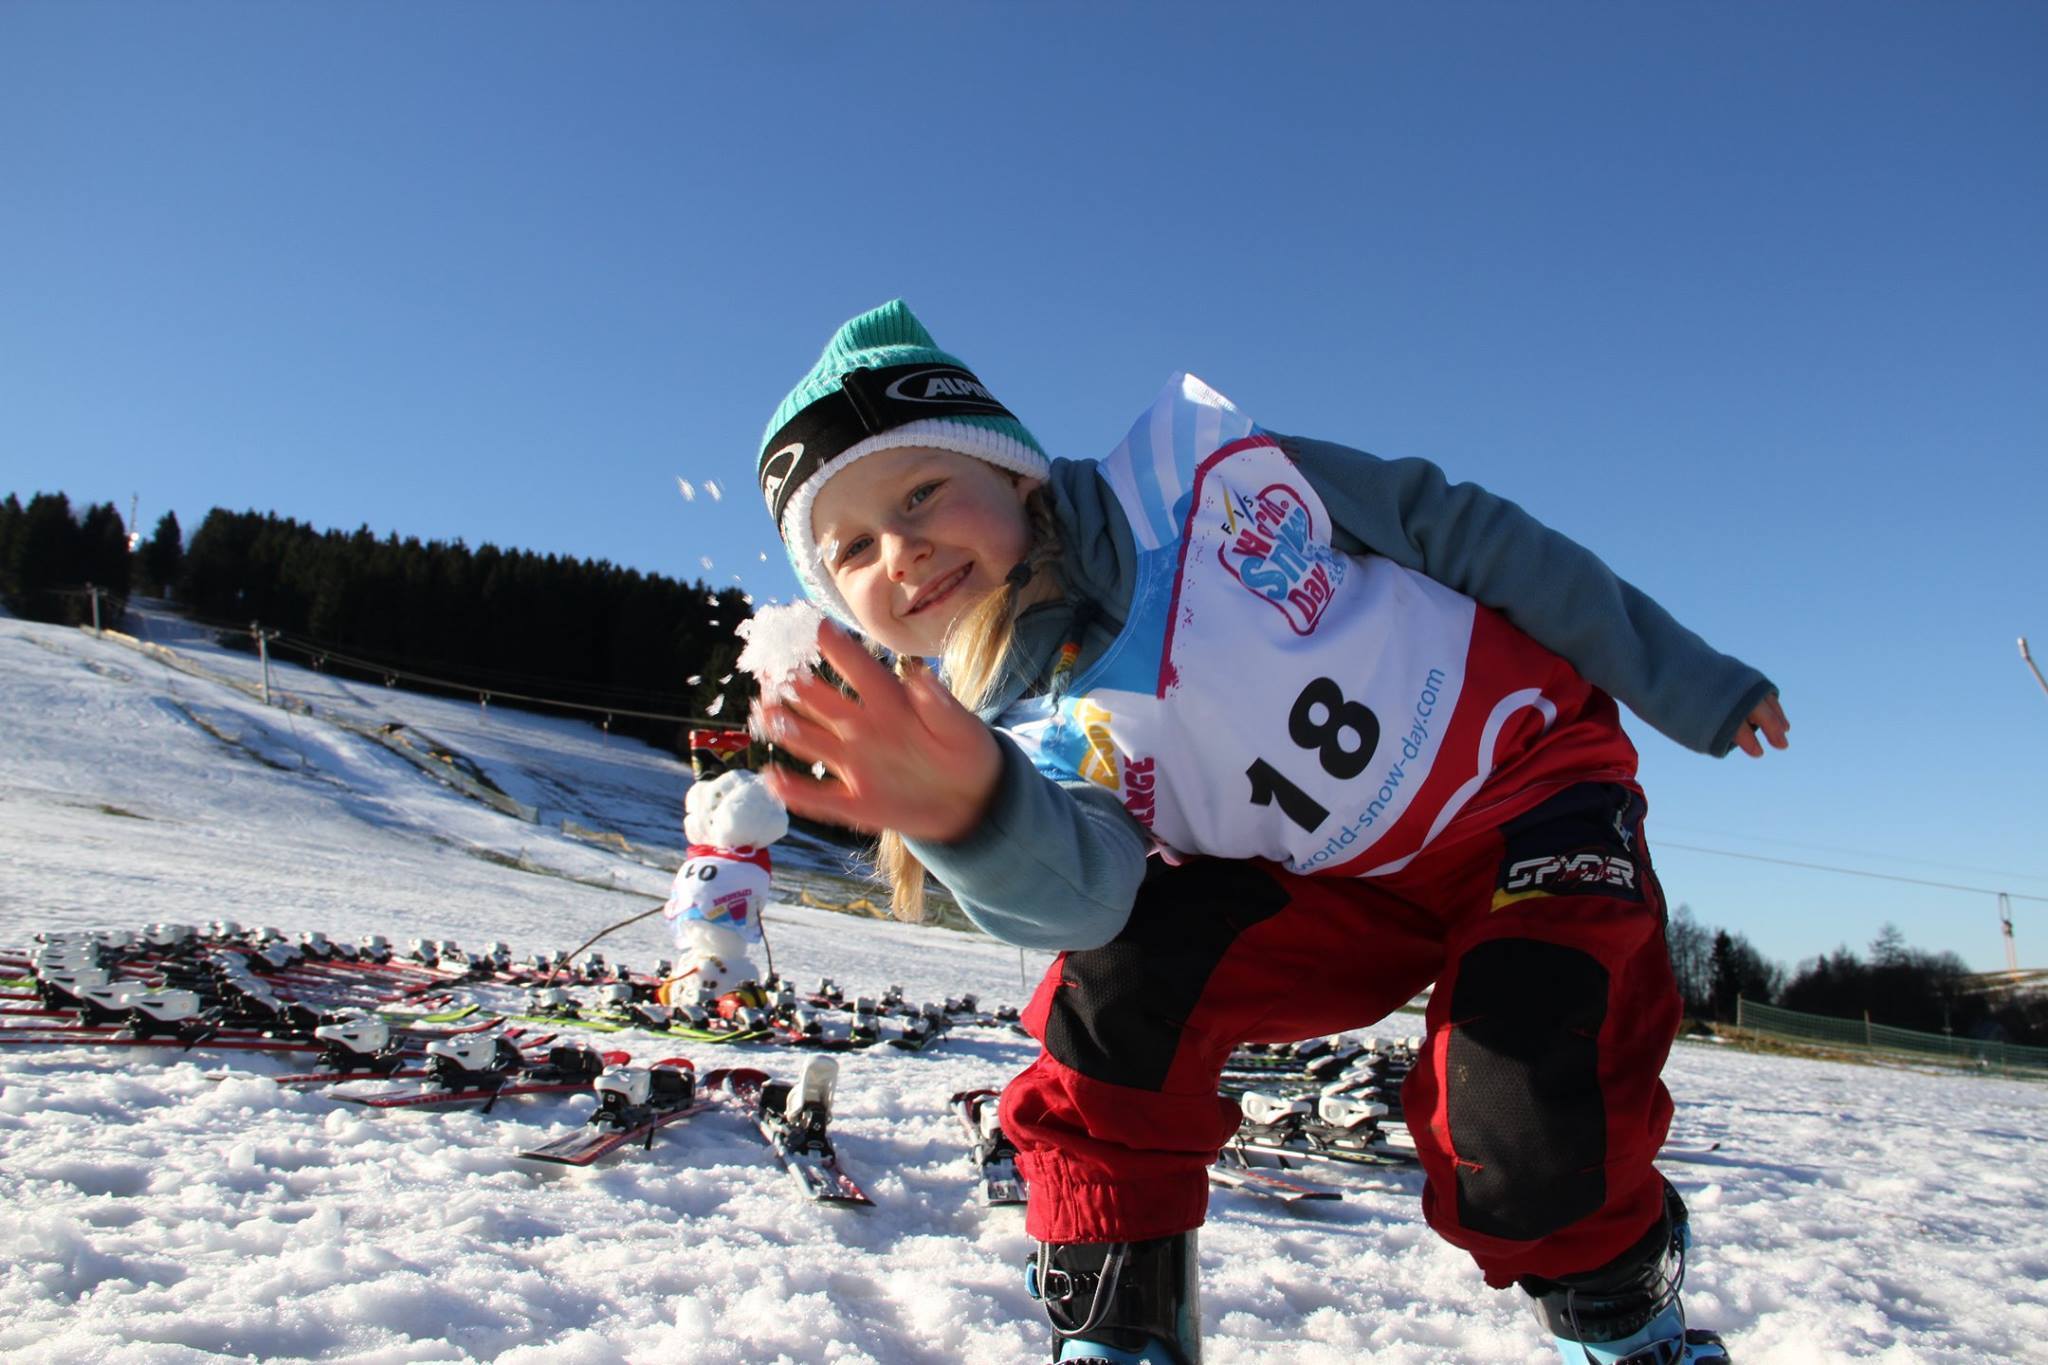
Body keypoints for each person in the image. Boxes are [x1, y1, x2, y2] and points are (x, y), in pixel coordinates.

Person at [747, 300, 1788, 1365]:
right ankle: (1122, 1319)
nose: (903, 549)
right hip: (1345, 893)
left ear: (1012, 472)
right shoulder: (1001, 734)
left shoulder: (1199, 487)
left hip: (1524, 799)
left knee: (1522, 1102)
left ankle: (1621, 1315)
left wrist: (1684, 678)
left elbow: (1463, 531)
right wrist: (974, 815)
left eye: (921, 492)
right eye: (852, 549)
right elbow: (1093, 898)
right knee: (1113, 990)